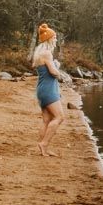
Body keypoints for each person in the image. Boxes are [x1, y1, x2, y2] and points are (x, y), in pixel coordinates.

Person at [32, 23, 72, 156]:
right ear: (48, 39)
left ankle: (43, 147)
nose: (55, 40)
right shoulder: (47, 53)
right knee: (59, 117)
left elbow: (46, 69)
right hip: (49, 90)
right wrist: (62, 75)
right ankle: (44, 144)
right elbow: (53, 72)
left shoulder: (39, 53)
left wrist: (55, 64)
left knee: (47, 120)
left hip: (42, 89)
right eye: (54, 37)